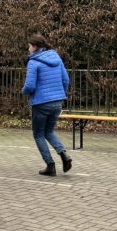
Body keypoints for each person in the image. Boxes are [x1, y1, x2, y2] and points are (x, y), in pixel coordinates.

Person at [22, 33, 72, 176]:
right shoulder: (56, 57)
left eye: (29, 46)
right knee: (49, 131)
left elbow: (30, 86)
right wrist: (59, 94)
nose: (28, 49)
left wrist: (24, 91)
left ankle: (50, 165)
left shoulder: (33, 62)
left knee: (38, 134)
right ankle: (64, 155)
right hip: (57, 102)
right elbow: (66, 80)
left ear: (35, 47)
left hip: (41, 103)